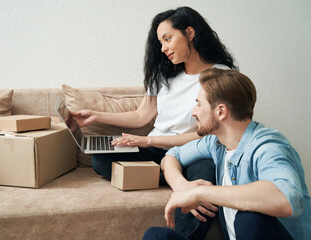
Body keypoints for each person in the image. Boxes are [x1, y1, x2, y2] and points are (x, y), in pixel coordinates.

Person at [72, 7, 237, 238]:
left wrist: (149, 139)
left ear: (190, 33)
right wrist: (96, 116)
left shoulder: (220, 76)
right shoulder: (164, 74)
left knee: (204, 182)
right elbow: (142, 115)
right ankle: (175, 178)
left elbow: (210, 136)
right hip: (156, 150)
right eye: (160, 42)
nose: (163, 48)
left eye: (168, 39)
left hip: (196, 153)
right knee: (100, 158)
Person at [143, 68, 311, 240]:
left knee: (249, 219)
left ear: (221, 112)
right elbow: (172, 156)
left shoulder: (268, 145)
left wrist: (199, 193)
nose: (194, 112)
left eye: (199, 104)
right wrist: (182, 186)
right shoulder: (216, 143)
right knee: (156, 235)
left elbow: (288, 199)